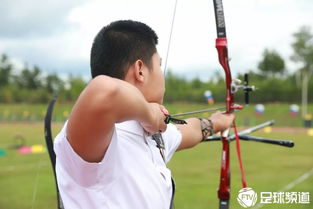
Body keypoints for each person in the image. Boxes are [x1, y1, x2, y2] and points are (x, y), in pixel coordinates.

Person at [54, 20, 234, 209]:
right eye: (159, 65)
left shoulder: (152, 135)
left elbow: (190, 130)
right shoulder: (95, 138)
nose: (162, 76)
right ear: (140, 70)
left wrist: (217, 122)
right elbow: (104, 91)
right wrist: (149, 114)